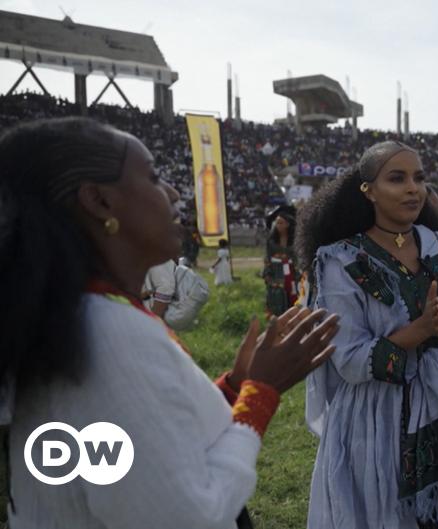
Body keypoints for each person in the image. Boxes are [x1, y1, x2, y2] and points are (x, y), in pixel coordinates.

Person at [0, 117, 339, 527]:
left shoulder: (90, 316)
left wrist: (233, 387)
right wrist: (260, 393)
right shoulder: (110, 333)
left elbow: (147, 446)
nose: (175, 192)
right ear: (100, 202)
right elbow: (191, 516)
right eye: (154, 176)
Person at [298, 142, 438, 529]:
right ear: (367, 189)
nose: (412, 188)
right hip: (373, 418)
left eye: (418, 178)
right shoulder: (341, 260)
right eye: (397, 178)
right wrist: (414, 333)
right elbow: (350, 360)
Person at [263, 205, 298, 316]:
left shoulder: (295, 241)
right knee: (277, 302)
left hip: (292, 275)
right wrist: (268, 274)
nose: (278, 225)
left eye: (281, 223)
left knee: (294, 300)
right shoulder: (271, 241)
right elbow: (267, 259)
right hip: (277, 274)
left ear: (288, 224)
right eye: (277, 222)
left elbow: (298, 259)